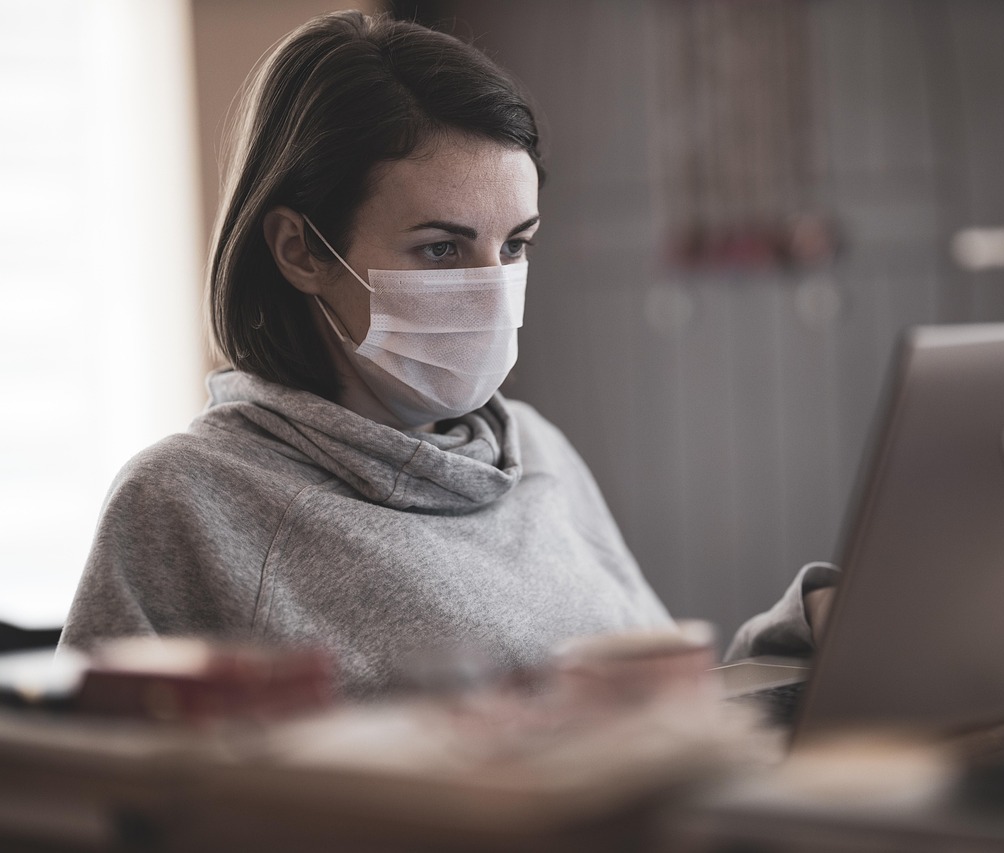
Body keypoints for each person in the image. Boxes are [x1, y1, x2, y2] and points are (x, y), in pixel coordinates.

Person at [60, 11, 835, 697]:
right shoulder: (186, 503)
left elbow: (665, 715)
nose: (492, 292)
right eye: (440, 249)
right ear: (300, 250)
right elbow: (85, 786)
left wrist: (807, 634)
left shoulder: (538, 452)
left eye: (516, 245)